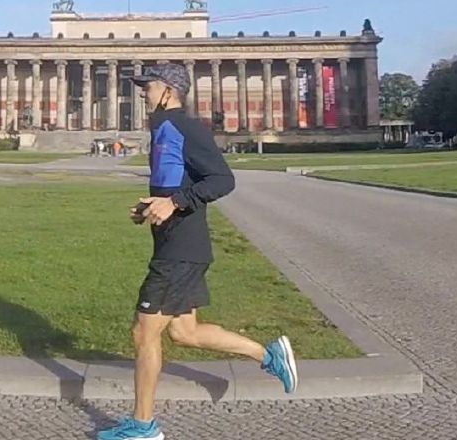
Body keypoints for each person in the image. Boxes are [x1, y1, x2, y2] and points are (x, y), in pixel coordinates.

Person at [97, 64, 298, 440]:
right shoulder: (162, 129)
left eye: (149, 86)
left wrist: (175, 203)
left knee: (144, 333)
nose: (143, 93)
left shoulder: (184, 128)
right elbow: (175, 184)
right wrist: (152, 207)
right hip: (179, 246)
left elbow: (222, 179)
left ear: (170, 91)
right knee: (185, 332)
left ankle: (143, 427)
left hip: (180, 252)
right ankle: (268, 356)